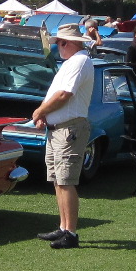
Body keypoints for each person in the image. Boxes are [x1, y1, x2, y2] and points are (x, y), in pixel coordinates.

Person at [32, 23, 96, 250]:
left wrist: (40, 112)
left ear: (69, 42)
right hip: (58, 128)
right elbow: (55, 94)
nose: (58, 46)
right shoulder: (71, 63)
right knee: (58, 179)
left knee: (66, 181)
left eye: (60, 42)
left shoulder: (80, 61)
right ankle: (63, 227)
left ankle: (71, 233)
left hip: (70, 129)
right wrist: (44, 115)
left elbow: (64, 95)